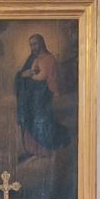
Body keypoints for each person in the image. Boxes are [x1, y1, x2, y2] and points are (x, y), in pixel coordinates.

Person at [15, 33, 70, 163]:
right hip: (29, 99)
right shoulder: (31, 59)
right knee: (29, 122)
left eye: (35, 44)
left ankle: (43, 150)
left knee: (41, 122)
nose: (33, 47)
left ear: (41, 43)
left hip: (42, 98)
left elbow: (52, 79)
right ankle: (31, 150)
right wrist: (23, 75)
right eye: (31, 45)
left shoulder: (50, 59)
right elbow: (22, 76)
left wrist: (54, 92)